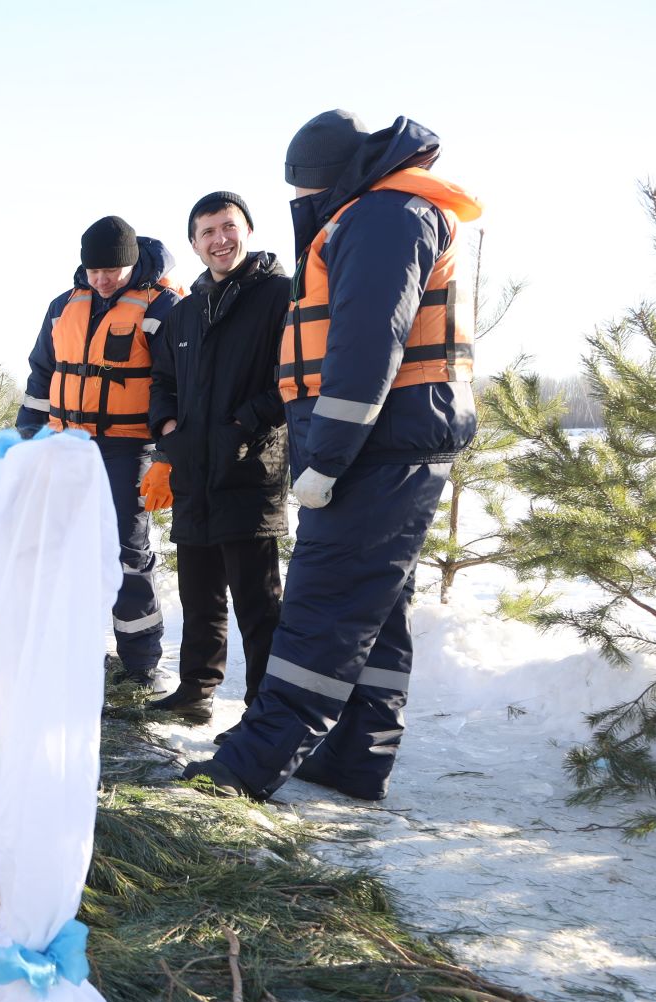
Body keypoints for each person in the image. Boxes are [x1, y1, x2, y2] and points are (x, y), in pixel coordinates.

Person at [184, 111, 480, 800]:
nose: (297, 206)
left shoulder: (382, 219)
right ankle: (354, 757)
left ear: (329, 181)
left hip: (373, 451)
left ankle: (246, 767)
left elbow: (367, 347)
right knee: (375, 612)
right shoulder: (383, 212)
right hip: (388, 444)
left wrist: (328, 458)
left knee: (322, 608)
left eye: (301, 192)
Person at [144, 192, 290, 725]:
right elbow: (162, 381)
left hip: (248, 469)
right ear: (194, 244)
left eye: (227, 227)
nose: (219, 240)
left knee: (258, 604)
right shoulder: (184, 313)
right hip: (194, 471)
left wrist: (242, 425)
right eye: (207, 232)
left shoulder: (278, 296)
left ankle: (263, 712)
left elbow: (291, 378)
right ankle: (195, 691)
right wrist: (167, 429)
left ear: (248, 231)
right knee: (199, 596)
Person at [18, 215, 181, 686]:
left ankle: (140, 664)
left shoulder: (163, 307)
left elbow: (174, 385)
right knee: (63, 549)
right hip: (66, 445)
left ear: (132, 264)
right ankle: (74, 653)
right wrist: (26, 438)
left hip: (128, 448)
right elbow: (41, 375)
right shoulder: (62, 306)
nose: (102, 279)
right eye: (93, 271)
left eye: (111, 271)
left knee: (127, 554)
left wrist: (168, 454)